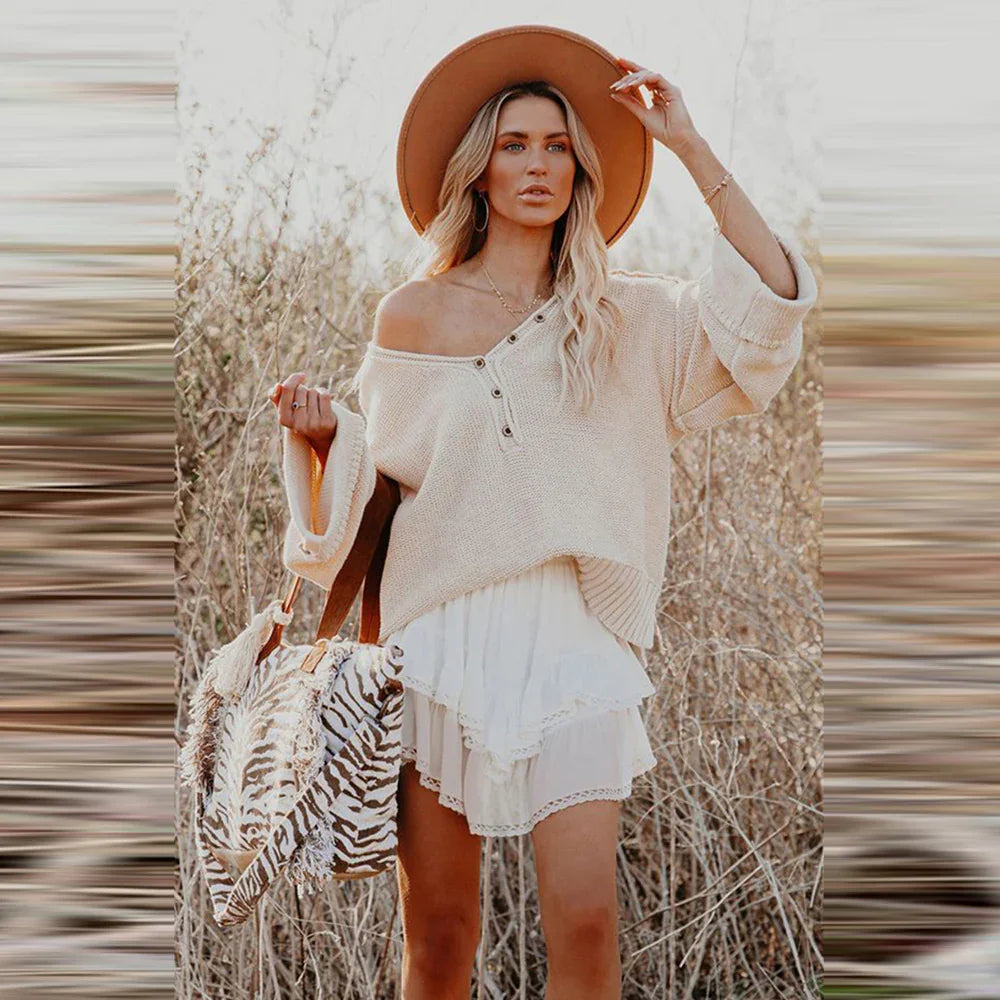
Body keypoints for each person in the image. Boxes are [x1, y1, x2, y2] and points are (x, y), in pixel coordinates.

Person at [268, 24, 818, 1000]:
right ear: (478, 170)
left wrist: (688, 142)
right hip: (437, 637)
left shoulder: (632, 316)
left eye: (557, 145)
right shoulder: (412, 315)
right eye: (514, 145)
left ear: (581, 168)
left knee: (586, 917)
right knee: (439, 935)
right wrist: (319, 445)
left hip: (573, 641)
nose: (536, 165)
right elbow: (377, 499)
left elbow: (771, 306)